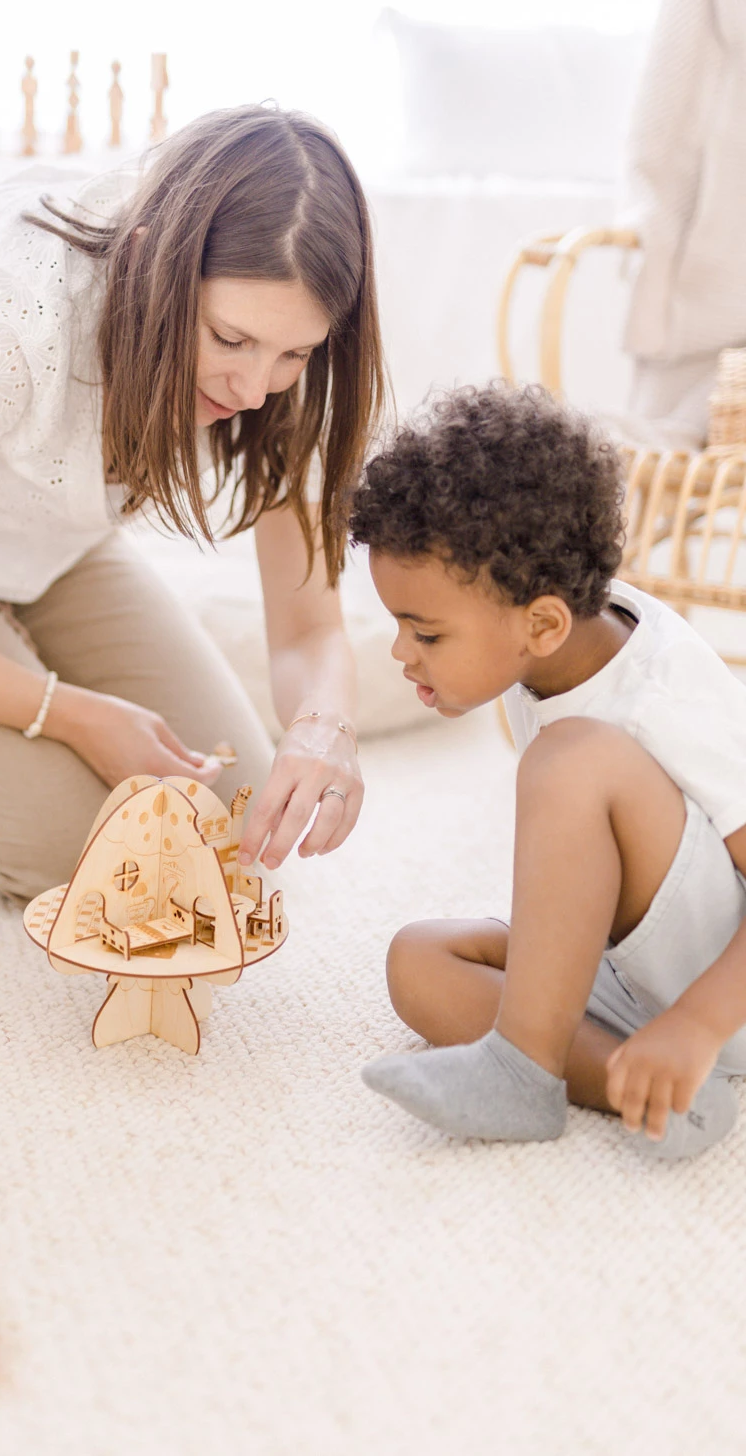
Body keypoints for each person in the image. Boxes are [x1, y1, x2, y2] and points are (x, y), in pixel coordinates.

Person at [0, 106, 386, 900]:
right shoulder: (0, 313)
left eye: (292, 353)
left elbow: (307, 628)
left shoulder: (280, 357)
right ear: (145, 261)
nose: (254, 386)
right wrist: (76, 715)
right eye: (229, 340)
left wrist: (325, 730)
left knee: (224, 820)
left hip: (43, 539)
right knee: (76, 849)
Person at [349, 383, 746, 1159]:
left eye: (425, 633)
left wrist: (698, 1022)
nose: (402, 653)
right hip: (628, 976)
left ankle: (527, 1065)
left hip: (721, 997)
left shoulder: (664, 695)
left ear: (542, 622)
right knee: (419, 962)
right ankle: (648, 1088)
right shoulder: (554, 648)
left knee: (571, 759)